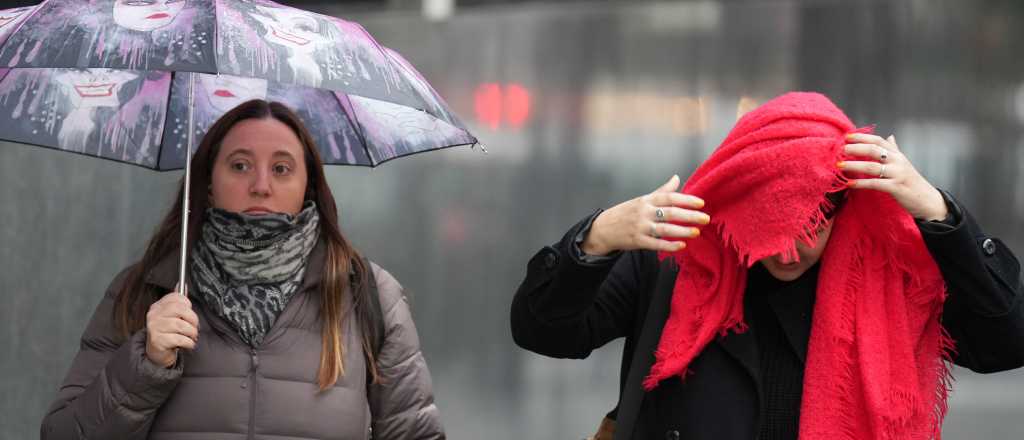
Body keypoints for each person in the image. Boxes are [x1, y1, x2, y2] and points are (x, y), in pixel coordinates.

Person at [510, 92, 1024, 440]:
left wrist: (941, 214)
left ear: (843, 208)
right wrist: (594, 240)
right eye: (769, 234)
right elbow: (544, 332)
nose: (788, 253)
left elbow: (1007, 341)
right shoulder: (676, 259)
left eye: (812, 230)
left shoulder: (889, 274)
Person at [40, 99, 444, 439]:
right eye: (239, 166)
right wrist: (145, 364)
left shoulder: (367, 294)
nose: (261, 185)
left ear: (309, 185)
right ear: (209, 182)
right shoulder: (147, 289)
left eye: (282, 168)